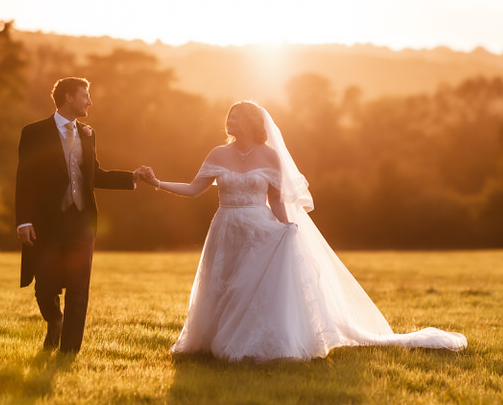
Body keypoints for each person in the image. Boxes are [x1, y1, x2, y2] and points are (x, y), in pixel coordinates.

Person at [137, 101, 467, 362]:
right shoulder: (217, 153)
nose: (229, 121)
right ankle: (210, 341)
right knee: (222, 286)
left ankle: (249, 344)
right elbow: (195, 189)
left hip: (259, 229)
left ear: (252, 122)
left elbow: (277, 200)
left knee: (250, 290)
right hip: (225, 228)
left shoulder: (269, 156)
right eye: (228, 116)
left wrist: (286, 226)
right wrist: (158, 182)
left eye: (236, 116)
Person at [16, 77, 143, 355]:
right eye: (85, 95)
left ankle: (69, 352)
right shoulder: (34, 132)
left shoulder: (88, 133)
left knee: (78, 287)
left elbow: (92, 174)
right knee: (45, 290)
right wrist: (24, 220)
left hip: (82, 222)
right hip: (47, 224)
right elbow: (25, 179)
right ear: (68, 97)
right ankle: (56, 322)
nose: (90, 101)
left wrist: (131, 178)